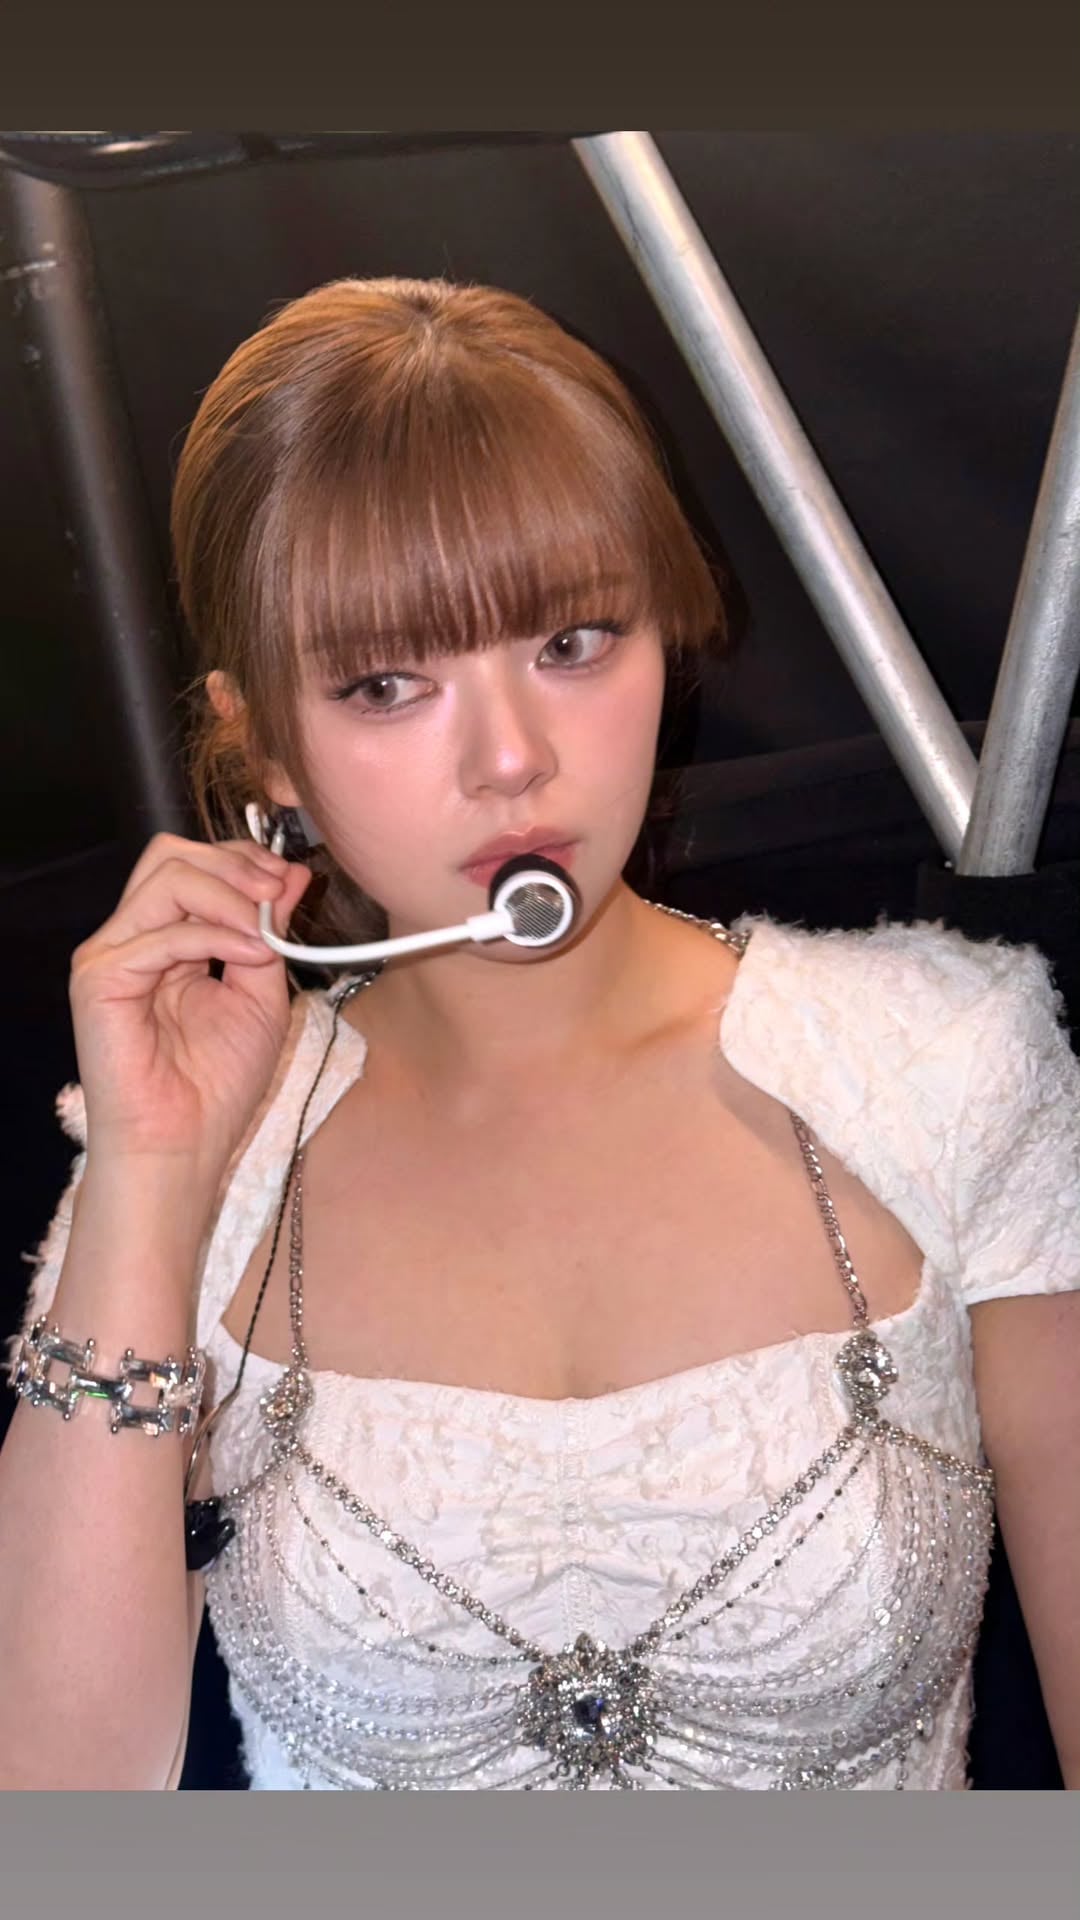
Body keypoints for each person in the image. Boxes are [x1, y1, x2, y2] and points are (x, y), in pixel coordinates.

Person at [1, 277, 1078, 1792]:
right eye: (389, 684)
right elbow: (56, 1803)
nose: (512, 759)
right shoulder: (200, 1156)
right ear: (264, 747)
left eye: (572, 641)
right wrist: (153, 1176)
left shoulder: (942, 1066)